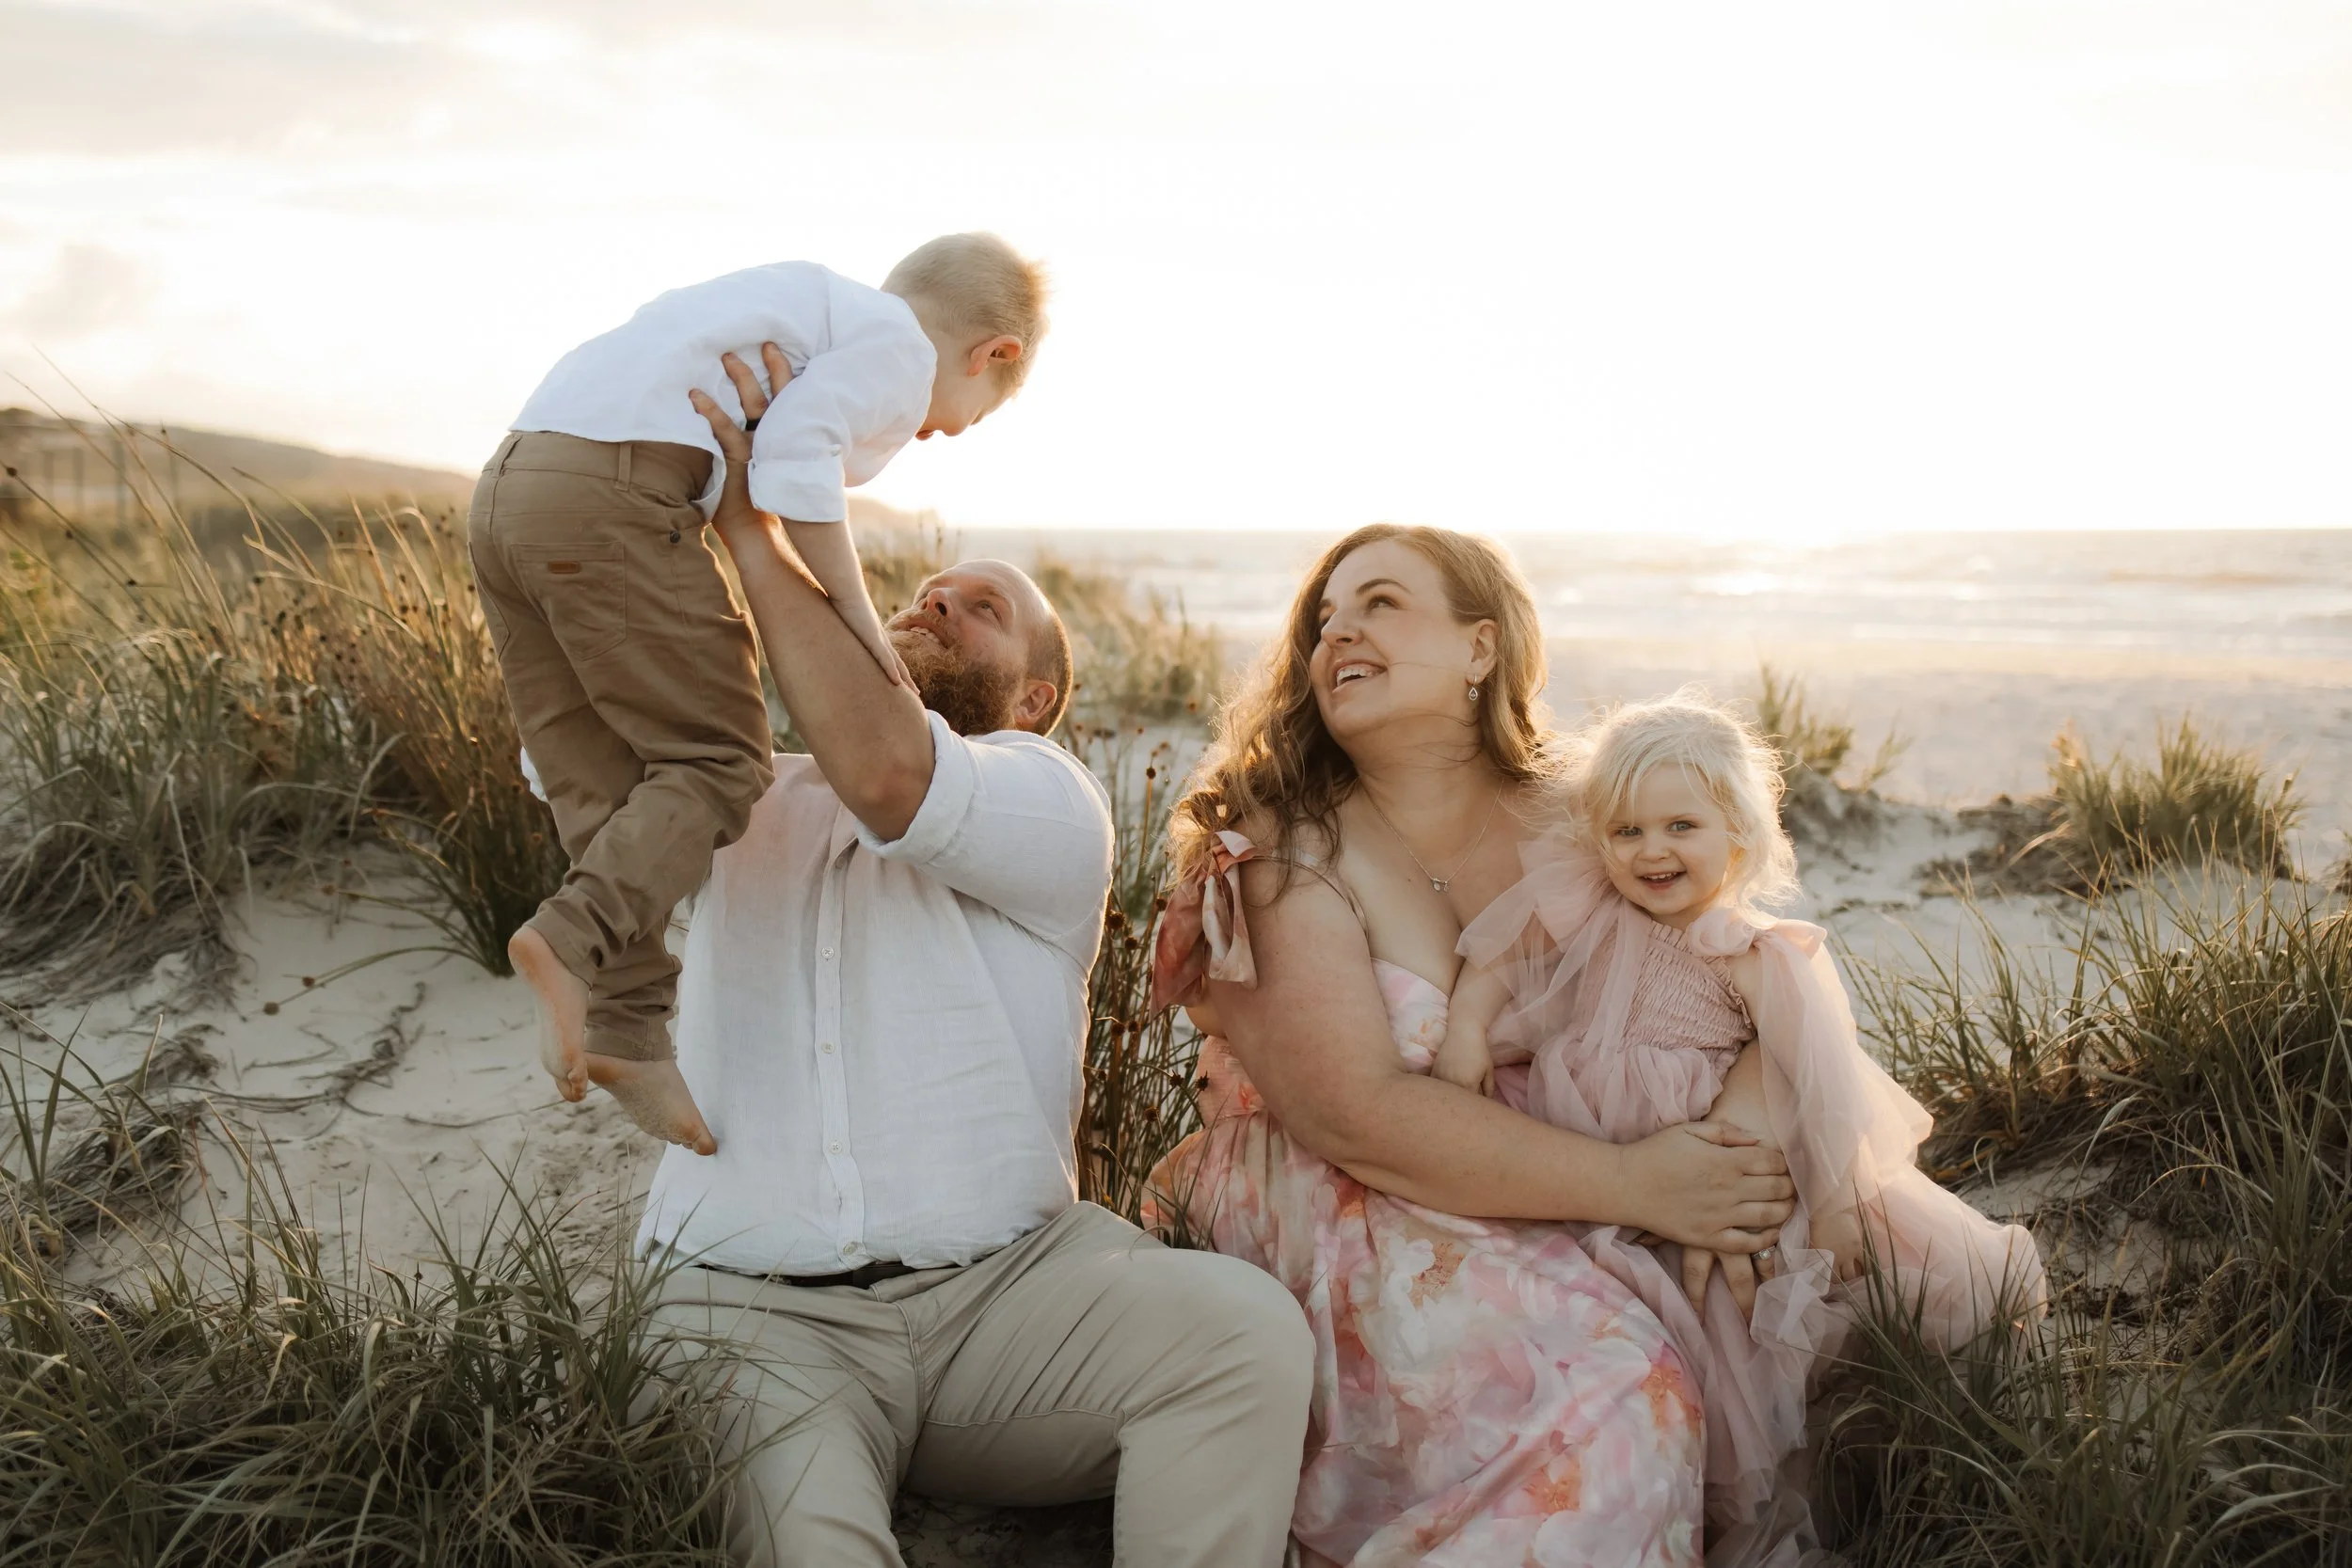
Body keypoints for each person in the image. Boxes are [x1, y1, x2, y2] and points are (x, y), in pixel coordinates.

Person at [635, 352, 1315, 1568]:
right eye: (927, 591)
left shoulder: (1049, 802)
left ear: (1040, 693)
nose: (938, 601)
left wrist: (762, 527)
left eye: (982, 606)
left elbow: (896, 773)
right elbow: (580, 747)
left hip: (1009, 1300)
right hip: (748, 1312)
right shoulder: (738, 792)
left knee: (1243, 1334)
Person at [1146, 523, 1800, 1566]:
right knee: (1617, 1394)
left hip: (1567, 1176)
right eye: (1323, 621)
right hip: (1348, 1196)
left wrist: (1725, 1150)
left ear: (1480, 649)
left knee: (1803, 1313)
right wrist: (1641, 1184)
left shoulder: (1584, 817)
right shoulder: (1283, 841)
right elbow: (1353, 1113)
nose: (1338, 633)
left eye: (1381, 604)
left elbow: (1756, 968)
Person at [1438, 691, 2050, 1562]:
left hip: (1709, 1172)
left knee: (1724, 1320)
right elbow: (1498, 959)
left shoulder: (1750, 948)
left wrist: (1837, 1202)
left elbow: (1822, 1076)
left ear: (1737, 830)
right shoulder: (1590, 906)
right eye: (1627, 831)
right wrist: (1466, 1026)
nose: (1651, 851)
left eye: (1680, 825)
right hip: (1603, 1160)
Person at [469, 233, 1047, 1153]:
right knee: (720, 758)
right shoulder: (901, 348)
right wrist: (859, 615)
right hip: (614, 496)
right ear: (992, 355)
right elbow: (790, 458)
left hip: (509, 487)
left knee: (595, 773)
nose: (922, 433)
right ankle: (573, 936)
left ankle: (626, 1027)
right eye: (949, 425)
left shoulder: (804, 305)